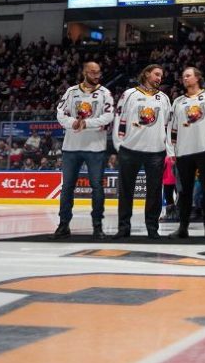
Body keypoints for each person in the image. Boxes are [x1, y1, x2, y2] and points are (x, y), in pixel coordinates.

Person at [53, 61, 114, 240]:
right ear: (84, 72)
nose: (97, 75)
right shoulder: (71, 92)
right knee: (67, 188)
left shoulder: (105, 93)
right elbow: (60, 113)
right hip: (71, 147)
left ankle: (97, 226)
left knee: (97, 187)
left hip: (95, 147)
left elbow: (108, 116)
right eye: (93, 72)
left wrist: (86, 123)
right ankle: (63, 225)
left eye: (98, 72)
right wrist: (72, 123)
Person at [112, 64, 173, 239]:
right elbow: (119, 118)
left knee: (154, 191)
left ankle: (152, 229)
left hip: (156, 151)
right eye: (156, 74)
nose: (159, 78)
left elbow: (168, 126)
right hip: (130, 149)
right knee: (126, 191)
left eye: (161, 75)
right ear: (146, 74)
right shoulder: (129, 94)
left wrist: (169, 149)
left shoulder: (164, 98)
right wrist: (119, 144)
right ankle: (124, 228)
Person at [169, 67, 205, 239]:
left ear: (197, 77)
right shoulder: (177, 101)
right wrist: (171, 150)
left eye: (188, 75)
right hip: (183, 152)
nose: (184, 78)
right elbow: (172, 128)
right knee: (184, 192)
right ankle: (183, 227)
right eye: (183, 75)